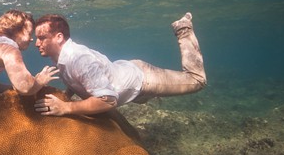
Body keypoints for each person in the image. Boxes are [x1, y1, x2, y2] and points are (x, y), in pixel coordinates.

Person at [32, 12, 206, 117]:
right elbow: (75, 78)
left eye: (41, 38)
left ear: (59, 37)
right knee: (142, 99)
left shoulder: (79, 59)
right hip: (125, 74)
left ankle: (183, 29)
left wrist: (66, 107)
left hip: (144, 79)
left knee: (197, 80)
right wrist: (66, 94)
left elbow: (108, 101)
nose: (36, 43)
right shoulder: (62, 57)